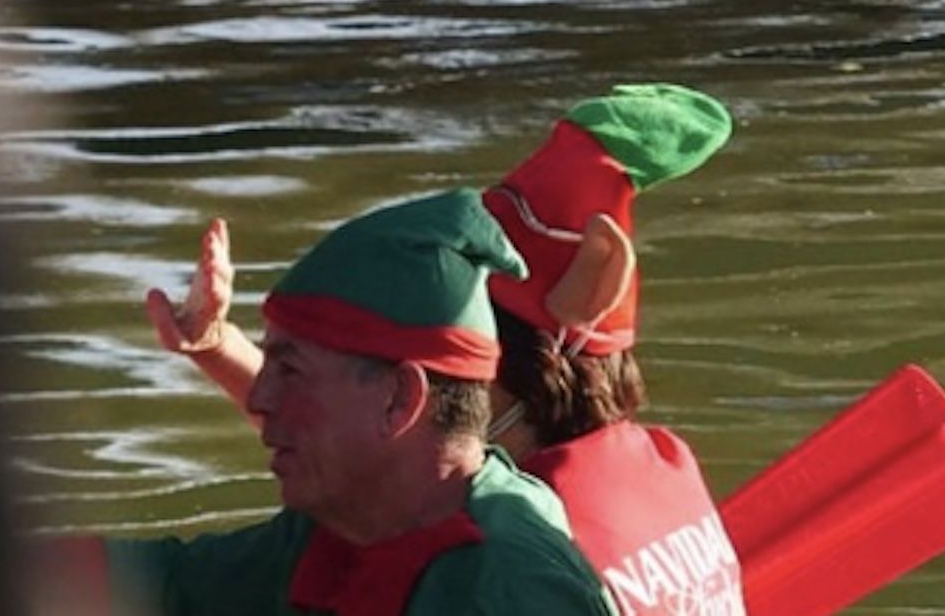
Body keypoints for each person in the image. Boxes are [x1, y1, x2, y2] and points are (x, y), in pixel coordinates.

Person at [148, 84, 745, 616]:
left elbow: (388, 445)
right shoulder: (659, 463)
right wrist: (216, 345)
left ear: (492, 371)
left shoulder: (522, 543)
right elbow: (373, 433)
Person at [54, 190, 618, 615]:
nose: (262, 397)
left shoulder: (512, 589)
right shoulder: (341, 524)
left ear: (400, 399)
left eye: (290, 371)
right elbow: (162, 582)